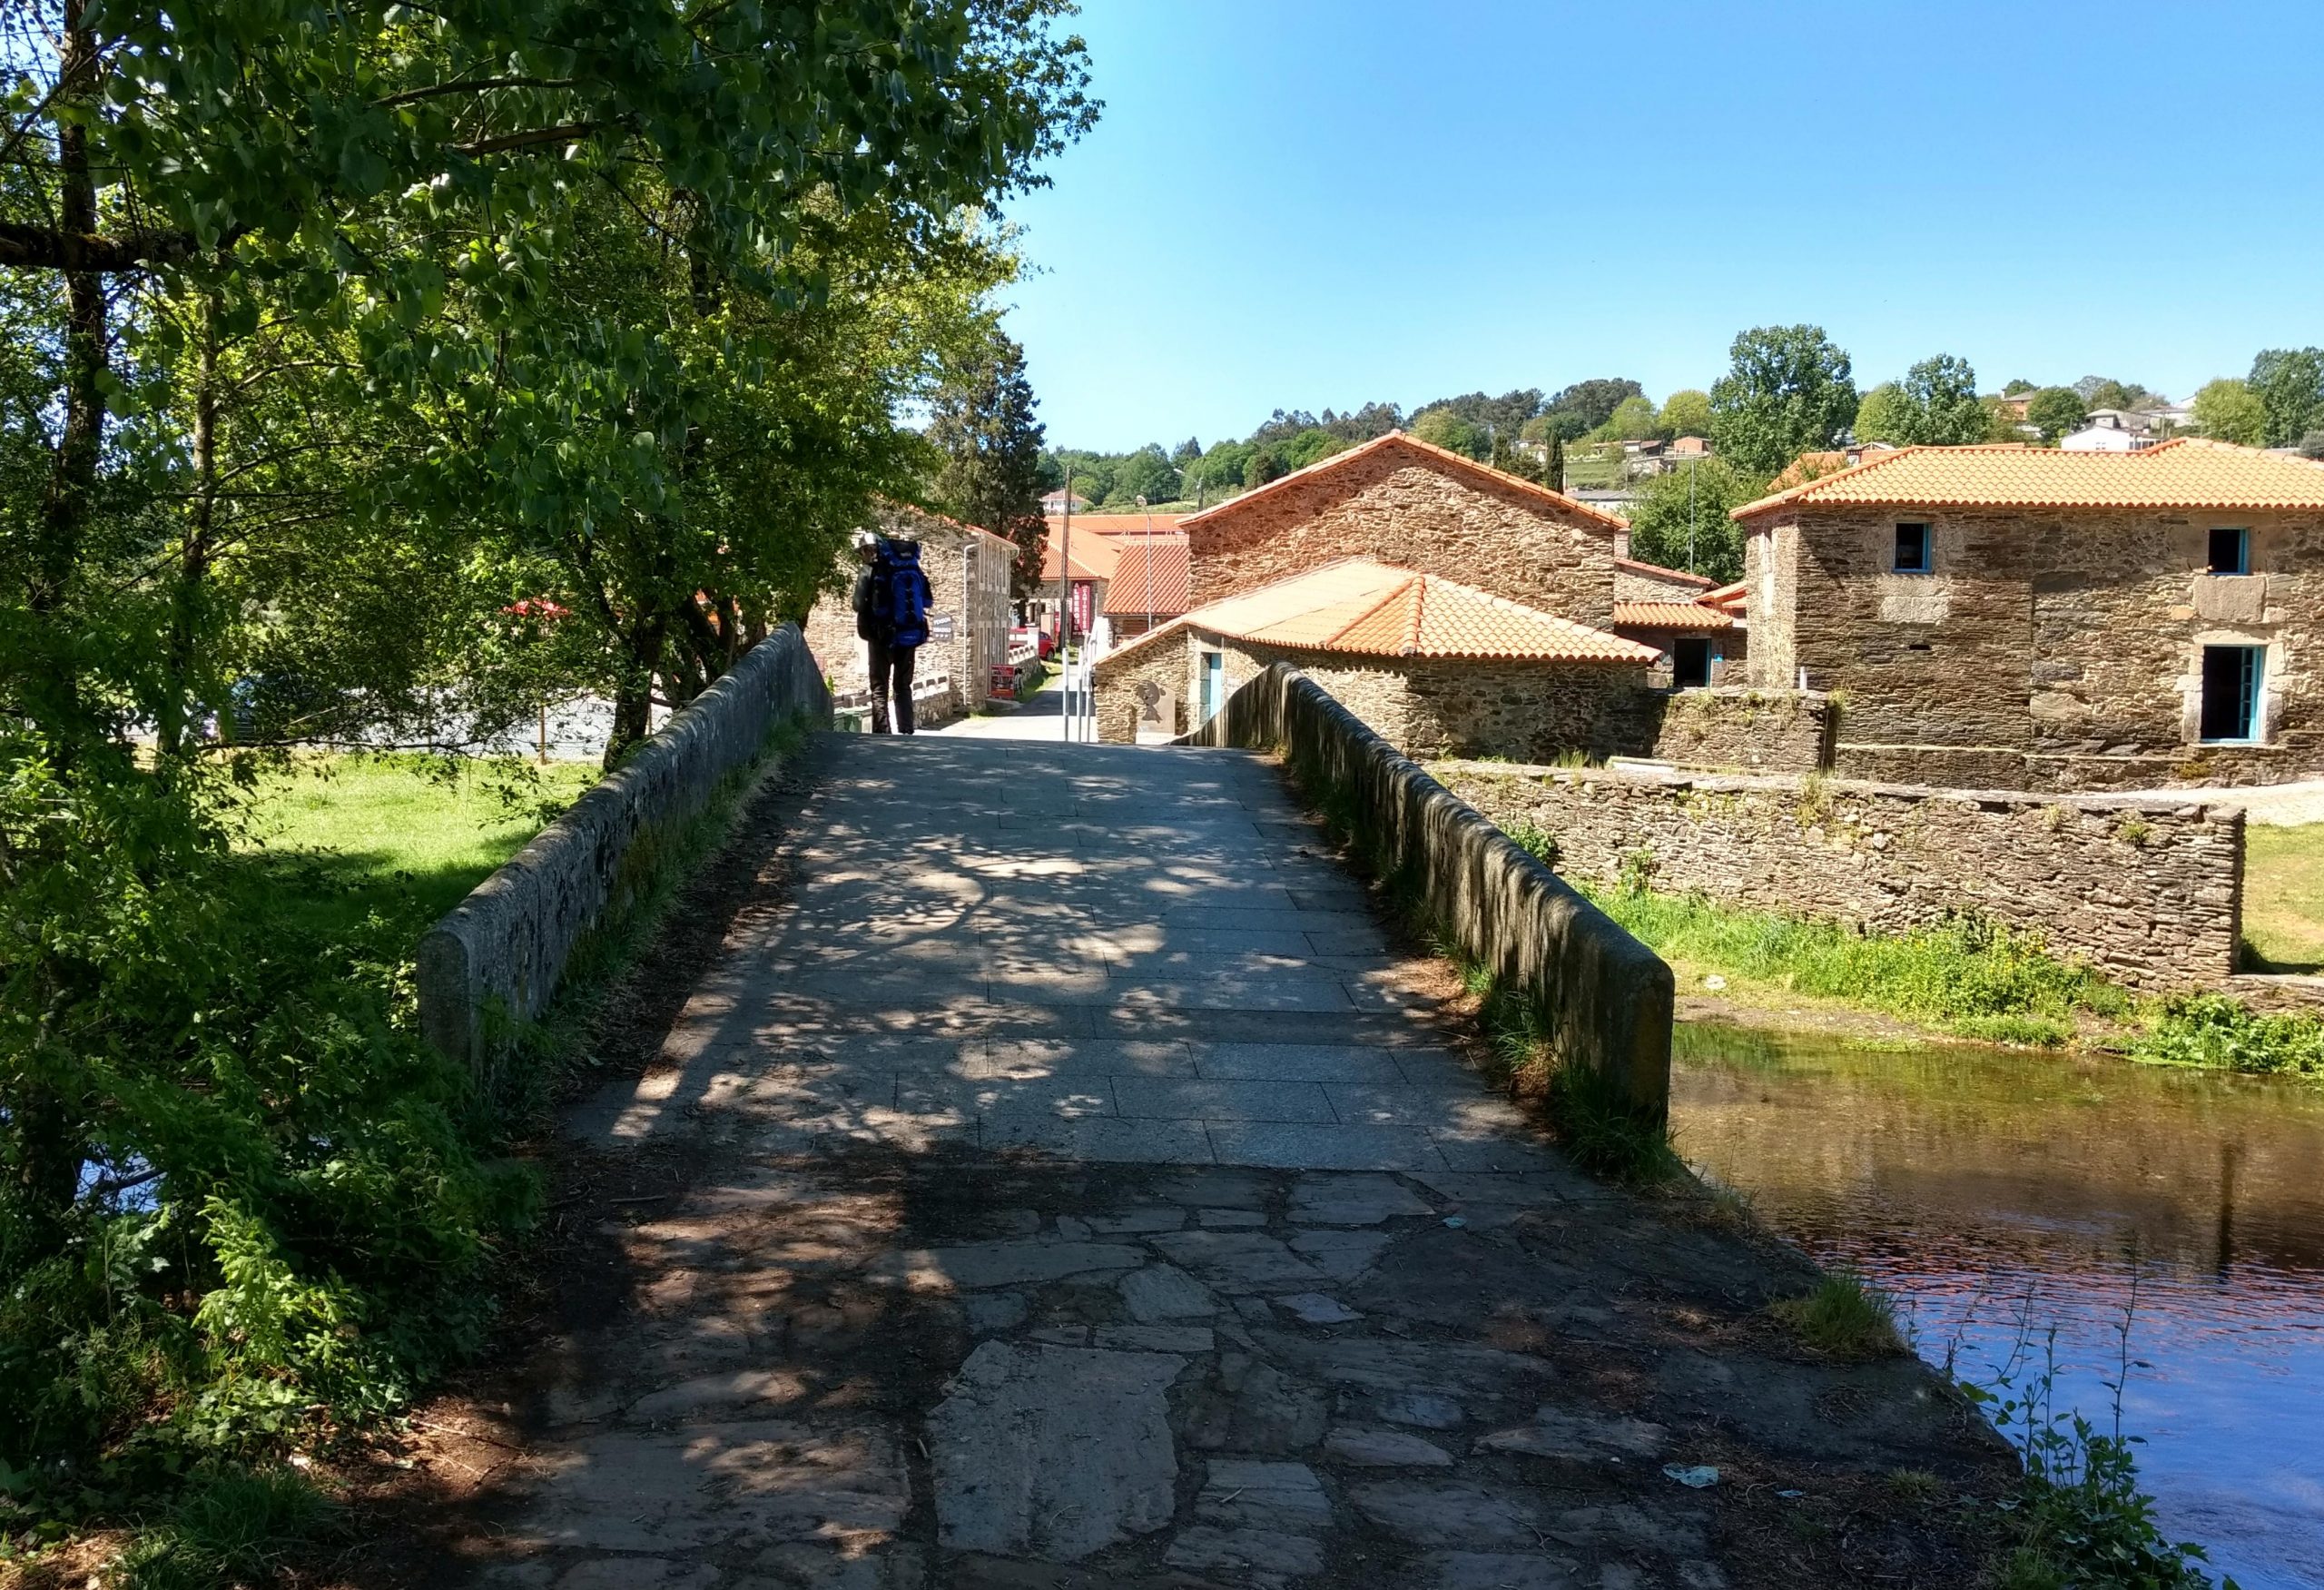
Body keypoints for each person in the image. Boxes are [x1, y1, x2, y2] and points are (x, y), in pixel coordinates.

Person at [852, 533, 932, 734]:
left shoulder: (868, 571)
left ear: (869, 550)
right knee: (903, 685)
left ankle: (883, 731)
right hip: (908, 634)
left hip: (880, 637)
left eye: (863, 551)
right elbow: (928, 602)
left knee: (879, 686)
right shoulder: (912, 569)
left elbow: (857, 604)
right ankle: (906, 729)